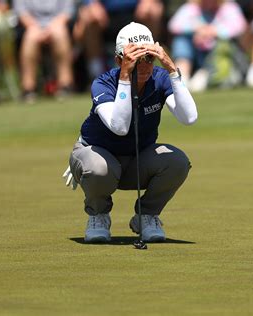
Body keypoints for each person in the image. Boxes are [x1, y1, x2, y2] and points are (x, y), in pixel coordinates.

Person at [62, 22, 198, 243]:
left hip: (136, 160)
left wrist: (172, 70)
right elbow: (120, 126)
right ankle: (98, 215)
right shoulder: (103, 83)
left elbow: (189, 118)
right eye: (136, 59)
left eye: (149, 58)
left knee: (177, 162)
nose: (144, 65)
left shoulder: (160, 79)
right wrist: (126, 76)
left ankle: (147, 216)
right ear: (119, 60)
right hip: (98, 157)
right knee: (98, 168)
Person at [73, 0, 165, 82]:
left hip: (135, 11)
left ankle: (151, 69)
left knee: (153, 10)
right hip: (105, 12)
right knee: (89, 16)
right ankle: (96, 75)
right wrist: (91, 3)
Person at [168, 0, 248, 92]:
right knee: (181, 40)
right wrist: (197, 30)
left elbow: (240, 27)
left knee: (224, 44)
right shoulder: (191, 7)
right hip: (196, 52)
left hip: (218, 56)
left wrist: (213, 31)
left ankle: (205, 75)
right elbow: (173, 25)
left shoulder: (228, 6)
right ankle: (182, 77)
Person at [13, 0, 75, 103]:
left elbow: (67, 12)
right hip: (32, 26)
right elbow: (21, 13)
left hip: (57, 25)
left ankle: (65, 85)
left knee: (60, 33)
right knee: (31, 36)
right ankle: (28, 89)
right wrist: (35, 28)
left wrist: (51, 28)